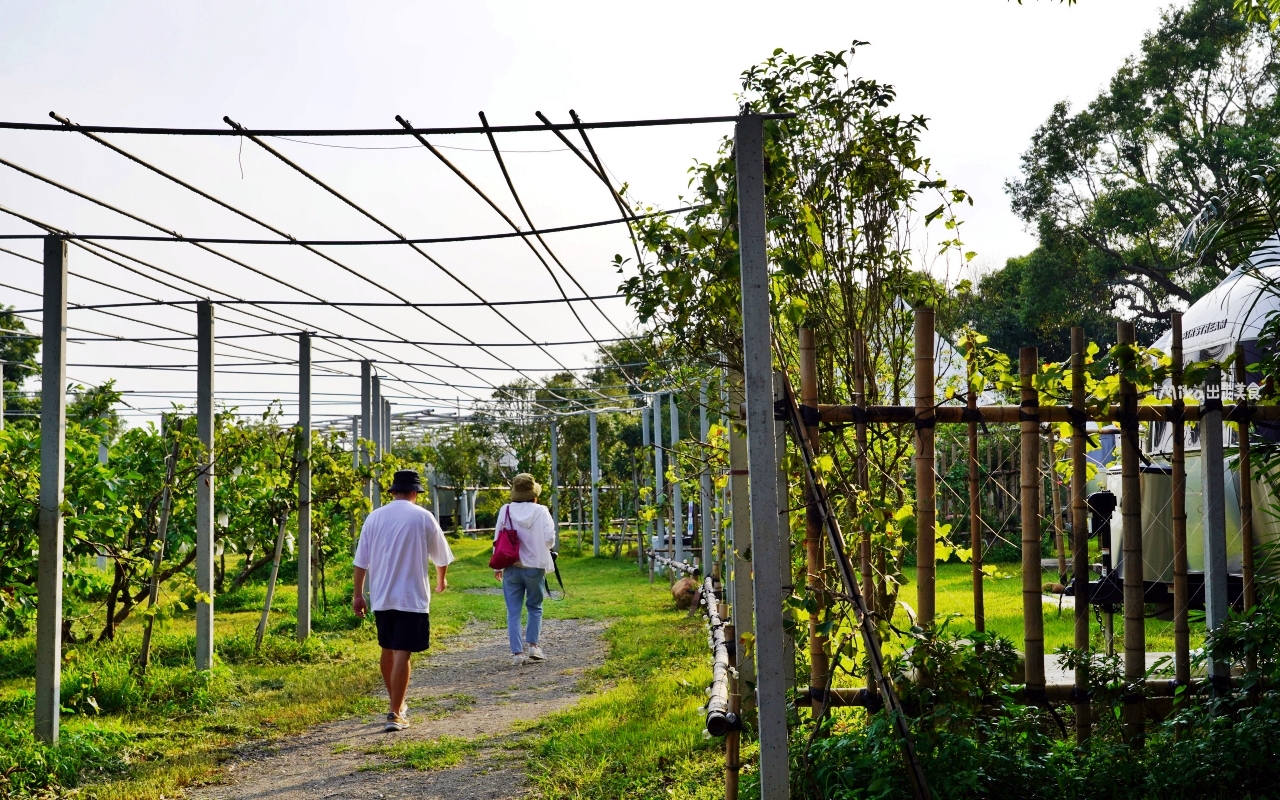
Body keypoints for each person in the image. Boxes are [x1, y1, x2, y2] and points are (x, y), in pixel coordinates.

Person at [353, 469, 454, 732]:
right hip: (411, 596)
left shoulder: (374, 517)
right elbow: (441, 557)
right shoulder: (423, 517)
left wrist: (358, 594)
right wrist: (441, 579)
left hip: (382, 596)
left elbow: (360, 561)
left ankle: (396, 703)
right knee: (402, 652)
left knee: (388, 649)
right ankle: (395, 713)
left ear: (394, 491)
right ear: (415, 493)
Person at [493, 473, 557, 666]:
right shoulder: (542, 511)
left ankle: (517, 654)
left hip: (511, 567)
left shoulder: (505, 510)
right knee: (535, 607)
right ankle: (534, 647)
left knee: (513, 611)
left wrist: (497, 566)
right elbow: (549, 539)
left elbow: (497, 538)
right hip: (535, 567)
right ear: (534, 494)